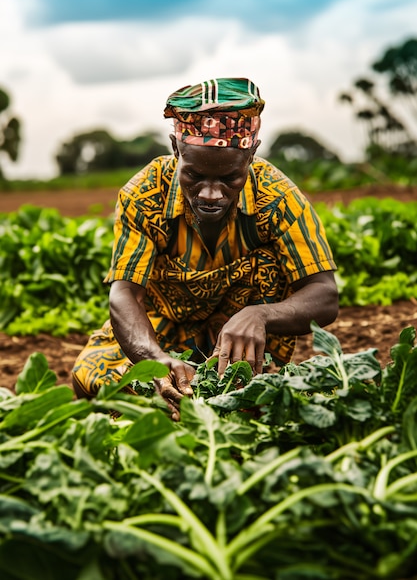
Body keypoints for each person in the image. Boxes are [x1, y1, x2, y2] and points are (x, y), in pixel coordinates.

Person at [72, 77, 338, 419]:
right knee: (90, 377)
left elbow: (324, 293)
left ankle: (246, 379)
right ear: (175, 148)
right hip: (163, 328)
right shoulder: (142, 195)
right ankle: (176, 380)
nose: (211, 194)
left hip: (239, 344)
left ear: (251, 154)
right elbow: (125, 295)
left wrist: (260, 315)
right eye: (194, 175)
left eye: (229, 178)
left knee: (236, 403)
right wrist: (154, 362)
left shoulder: (280, 199)